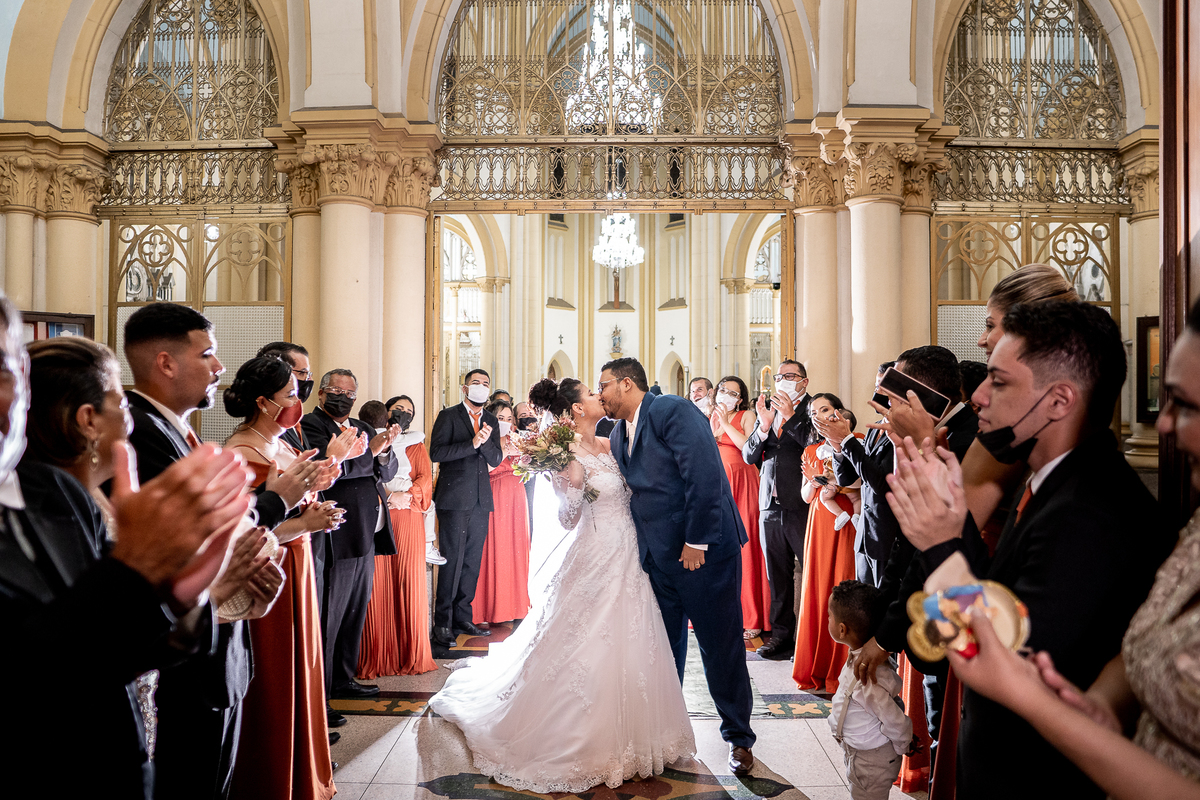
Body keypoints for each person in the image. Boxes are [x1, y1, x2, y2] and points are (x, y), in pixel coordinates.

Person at [883, 302, 1175, 800]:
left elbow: (1000, 659)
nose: (976, 397)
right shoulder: (1050, 484)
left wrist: (941, 543)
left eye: (998, 381)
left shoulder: (1089, 514)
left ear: (1059, 401)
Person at [12, 328, 253, 800]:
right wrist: (144, 573)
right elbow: (51, 656)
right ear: (87, 419)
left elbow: (117, 645)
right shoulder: (50, 504)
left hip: (125, 736)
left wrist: (189, 596)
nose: (132, 419)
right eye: (122, 404)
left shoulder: (74, 502)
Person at [429, 377, 696, 792]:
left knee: (634, 638)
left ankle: (638, 736)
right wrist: (570, 487)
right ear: (575, 408)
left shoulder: (612, 443)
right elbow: (568, 519)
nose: (598, 397)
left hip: (630, 554)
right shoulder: (563, 454)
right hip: (594, 553)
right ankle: (583, 737)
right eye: (591, 394)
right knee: (586, 642)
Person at [120, 302, 290, 800]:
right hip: (184, 660)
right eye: (209, 354)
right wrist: (277, 503)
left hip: (219, 649)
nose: (220, 368)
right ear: (166, 362)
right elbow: (186, 538)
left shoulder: (180, 432)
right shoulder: (140, 435)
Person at [602, 357, 756, 776]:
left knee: (719, 646)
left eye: (605, 386)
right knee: (664, 651)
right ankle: (668, 733)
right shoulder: (618, 433)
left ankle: (739, 738)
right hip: (658, 559)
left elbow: (703, 474)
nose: (601, 396)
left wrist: (697, 540)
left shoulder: (670, 408)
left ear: (627, 383)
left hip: (702, 552)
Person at [222, 357, 342, 800]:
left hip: (300, 562)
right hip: (270, 567)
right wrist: (305, 525)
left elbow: (298, 502)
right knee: (275, 675)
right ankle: (271, 776)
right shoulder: (242, 452)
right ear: (262, 402)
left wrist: (318, 510)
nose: (298, 402)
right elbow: (248, 530)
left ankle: (304, 771)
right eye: (290, 395)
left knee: (303, 667)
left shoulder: (285, 445)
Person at [300, 369, 401, 704]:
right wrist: (369, 453)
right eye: (335, 390)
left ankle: (343, 679)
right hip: (337, 534)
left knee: (355, 612)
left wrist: (383, 452)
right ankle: (322, 692)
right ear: (321, 394)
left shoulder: (363, 427)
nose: (343, 396)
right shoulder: (312, 426)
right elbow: (331, 471)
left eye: (349, 392)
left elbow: (386, 470)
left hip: (367, 532)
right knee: (330, 615)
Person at [356, 397, 437, 677]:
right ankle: (377, 656)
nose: (403, 414)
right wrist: (389, 496)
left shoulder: (416, 443)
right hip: (378, 512)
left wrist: (406, 496)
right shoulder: (365, 437)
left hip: (407, 516)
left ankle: (410, 653)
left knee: (408, 581)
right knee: (378, 583)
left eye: (409, 412)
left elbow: (425, 479)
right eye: (398, 409)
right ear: (387, 412)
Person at [741, 359, 815, 661]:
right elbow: (749, 455)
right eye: (780, 375)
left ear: (804, 382)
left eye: (790, 376)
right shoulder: (767, 409)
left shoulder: (813, 408)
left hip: (800, 501)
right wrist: (764, 426)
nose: (783, 380)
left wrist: (790, 417)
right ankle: (782, 637)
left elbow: (814, 445)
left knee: (809, 571)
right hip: (769, 504)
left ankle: (813, 640)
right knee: (778, 576)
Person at [428, 368, 504, 648]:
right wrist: (472, 443)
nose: (481, 387)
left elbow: (495, 458)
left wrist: (483, 444)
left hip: (482, 499)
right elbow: (436, 453)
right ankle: (442, 623)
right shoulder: (449, 416)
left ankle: (463, 616)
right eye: (476, 383)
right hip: (454, 499)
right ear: (465, 388)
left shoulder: (491, 420)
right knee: (453, 560)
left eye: (485, 383)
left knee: (472, 562)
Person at [793, 394, 861, 693]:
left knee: (845, 583)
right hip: (821, 521)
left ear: (838, 411)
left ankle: (844, 667)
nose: (820, 416)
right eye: (814, 412)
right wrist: (815, 481)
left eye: (825, 409)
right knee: (818, 588)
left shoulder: (856, 440)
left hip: (849, 517)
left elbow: (865, 481)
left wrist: (840, 486)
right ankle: (816, 666)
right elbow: (806, 496)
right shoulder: (810, 450)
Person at [827, 580, 914, 800]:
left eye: (829, 616)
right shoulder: (859, 658)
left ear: (842, 629)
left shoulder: (869, 679)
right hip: (860, 754)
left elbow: (893, 718)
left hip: (872, 760)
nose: (827, 619)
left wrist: (905, 743)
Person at [710, 374, 770, 640]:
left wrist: (724, 423)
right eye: (723, 390)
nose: (727, 395)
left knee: (746, 547)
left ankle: (752, 616)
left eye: (733, 393)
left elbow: (748, 447)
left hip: (743, 484)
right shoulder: (709, 416)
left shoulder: (745, 416)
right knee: (717, 547)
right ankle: (720, 612)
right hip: (717, 485)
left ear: (741, 399)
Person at [473, 398, 531, 625]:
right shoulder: (485, 440)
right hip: (495, 493)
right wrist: (504, 449)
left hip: (517, 495)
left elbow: (527, 466)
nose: (506, 422)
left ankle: (515, 606)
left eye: (509, 419)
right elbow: (484, 468)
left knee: (516, 548)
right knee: (497, 546)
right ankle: (491, 609)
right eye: (501, 418)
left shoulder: (519, 439)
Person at [514, 400, 540, 522]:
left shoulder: (544, 436)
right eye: (523, 416)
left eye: (531, 415)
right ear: (515, 419)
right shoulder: (513, 438)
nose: (528, 419)